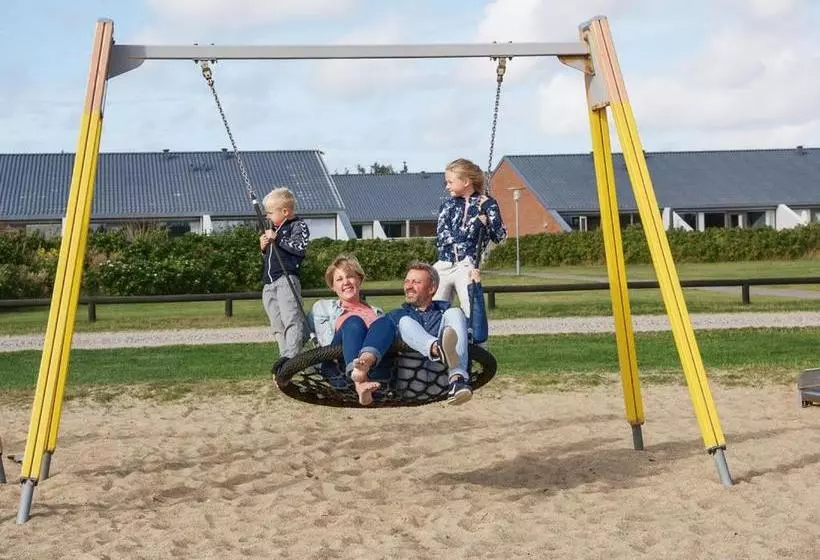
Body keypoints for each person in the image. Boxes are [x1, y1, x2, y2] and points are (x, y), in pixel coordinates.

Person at [349, 261, 487, 406]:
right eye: (407, 282)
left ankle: (457, 379)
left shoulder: (445, 316)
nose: (409, 286)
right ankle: (437, 348)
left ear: (432, 288)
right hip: (409, 383)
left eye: (416, 282)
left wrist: (476, 290)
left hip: (443, 383)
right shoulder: (397, 316)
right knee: (404, 322)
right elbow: (378, 335)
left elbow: (478, 336)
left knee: (455, 312)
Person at [312, 254, 394, 406]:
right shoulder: (323, 308)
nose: (346, 282)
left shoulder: (377, 312)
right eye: (339, 279)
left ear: (359, 280)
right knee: (354, 322)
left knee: (386, 322)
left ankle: (364, 370)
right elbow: (325, 345)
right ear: (333, 286)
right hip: (340, 370)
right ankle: (359, 381)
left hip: (377, 373)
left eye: (350, 276)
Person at [434, 158, 506, 317]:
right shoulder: (447, 205)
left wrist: (491, 209)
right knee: (434, 307)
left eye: (450, 182)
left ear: (466, 181)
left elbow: (499, 236)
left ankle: (475, 333)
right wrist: (475, 225)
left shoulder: (485, 204)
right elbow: (443, 238)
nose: (447, 186)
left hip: (467, 265)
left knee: (471, 308)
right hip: (445, 263)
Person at [260, 187, 310, 373]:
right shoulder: (273, 229)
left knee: (291, 319)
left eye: (270, 212)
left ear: (285, 211)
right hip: (269, 282)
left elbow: (300, 248)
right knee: (277, 324)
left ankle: (292, 359)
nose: (267, 216)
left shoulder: (297, 226)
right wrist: (263, 247)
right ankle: (284, 359)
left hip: (286, 279)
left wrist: (278, 238)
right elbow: (272, 256)